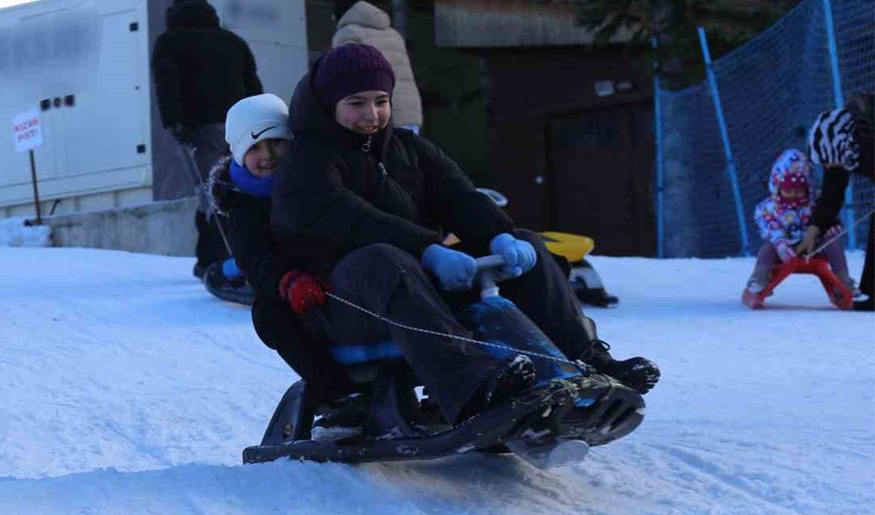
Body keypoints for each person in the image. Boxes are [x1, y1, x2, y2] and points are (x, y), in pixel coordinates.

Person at [270, 44, 658, 426]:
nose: (372, 114)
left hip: (417, 285)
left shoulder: (406, 148)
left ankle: (586, 361)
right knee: (382, 259)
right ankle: (469, 386)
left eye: (381, 101)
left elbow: (459, 196)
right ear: (328, 105)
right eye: (356, 103)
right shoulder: (305, 161)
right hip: (344, 304)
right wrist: (427, 250)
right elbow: (348, 218)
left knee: (529, 243)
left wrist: (499, 236)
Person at [209, 94, 365, 427]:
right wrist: (288, 280)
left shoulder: (320, 179)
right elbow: (255, 260)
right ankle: (339, 395)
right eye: (254, 148)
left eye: (276, 142)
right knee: (268, 313)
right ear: (239, 154)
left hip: (345, 279)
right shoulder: (243, 206)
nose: (268, 155)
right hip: (300, 297)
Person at [151, 0, 263, 277]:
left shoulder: (169, 41)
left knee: (211, 191)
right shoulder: (234, 42)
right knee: (243, 186)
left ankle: (219, 259)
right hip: (242, 127)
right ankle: (223, 255)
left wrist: (173, 122)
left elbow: (166, 82)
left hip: (200, 128)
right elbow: (253, 85)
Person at [743, 148, 855, 302]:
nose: (794, 195)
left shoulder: (815, 203)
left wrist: (831, 228)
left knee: (833, 243)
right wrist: (780, 243)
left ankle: (842, 279)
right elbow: (769, 226)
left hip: (814, 248)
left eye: (799, 191)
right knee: (767, 249)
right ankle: (760, 277)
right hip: (784, 249)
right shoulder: (770, 207)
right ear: (778, 188)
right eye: (788, 191)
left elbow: (828, 218)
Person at [799, 92, 874, 311]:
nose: (827, 167)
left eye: (827, 161)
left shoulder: (867, 145)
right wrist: (813, 230)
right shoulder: (845, 149)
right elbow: (832, 194)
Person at [332, 1, 423, 134]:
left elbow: (345, 77)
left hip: (375, 115)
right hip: (409, 111)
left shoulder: (348, 33)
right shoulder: (393, 34)